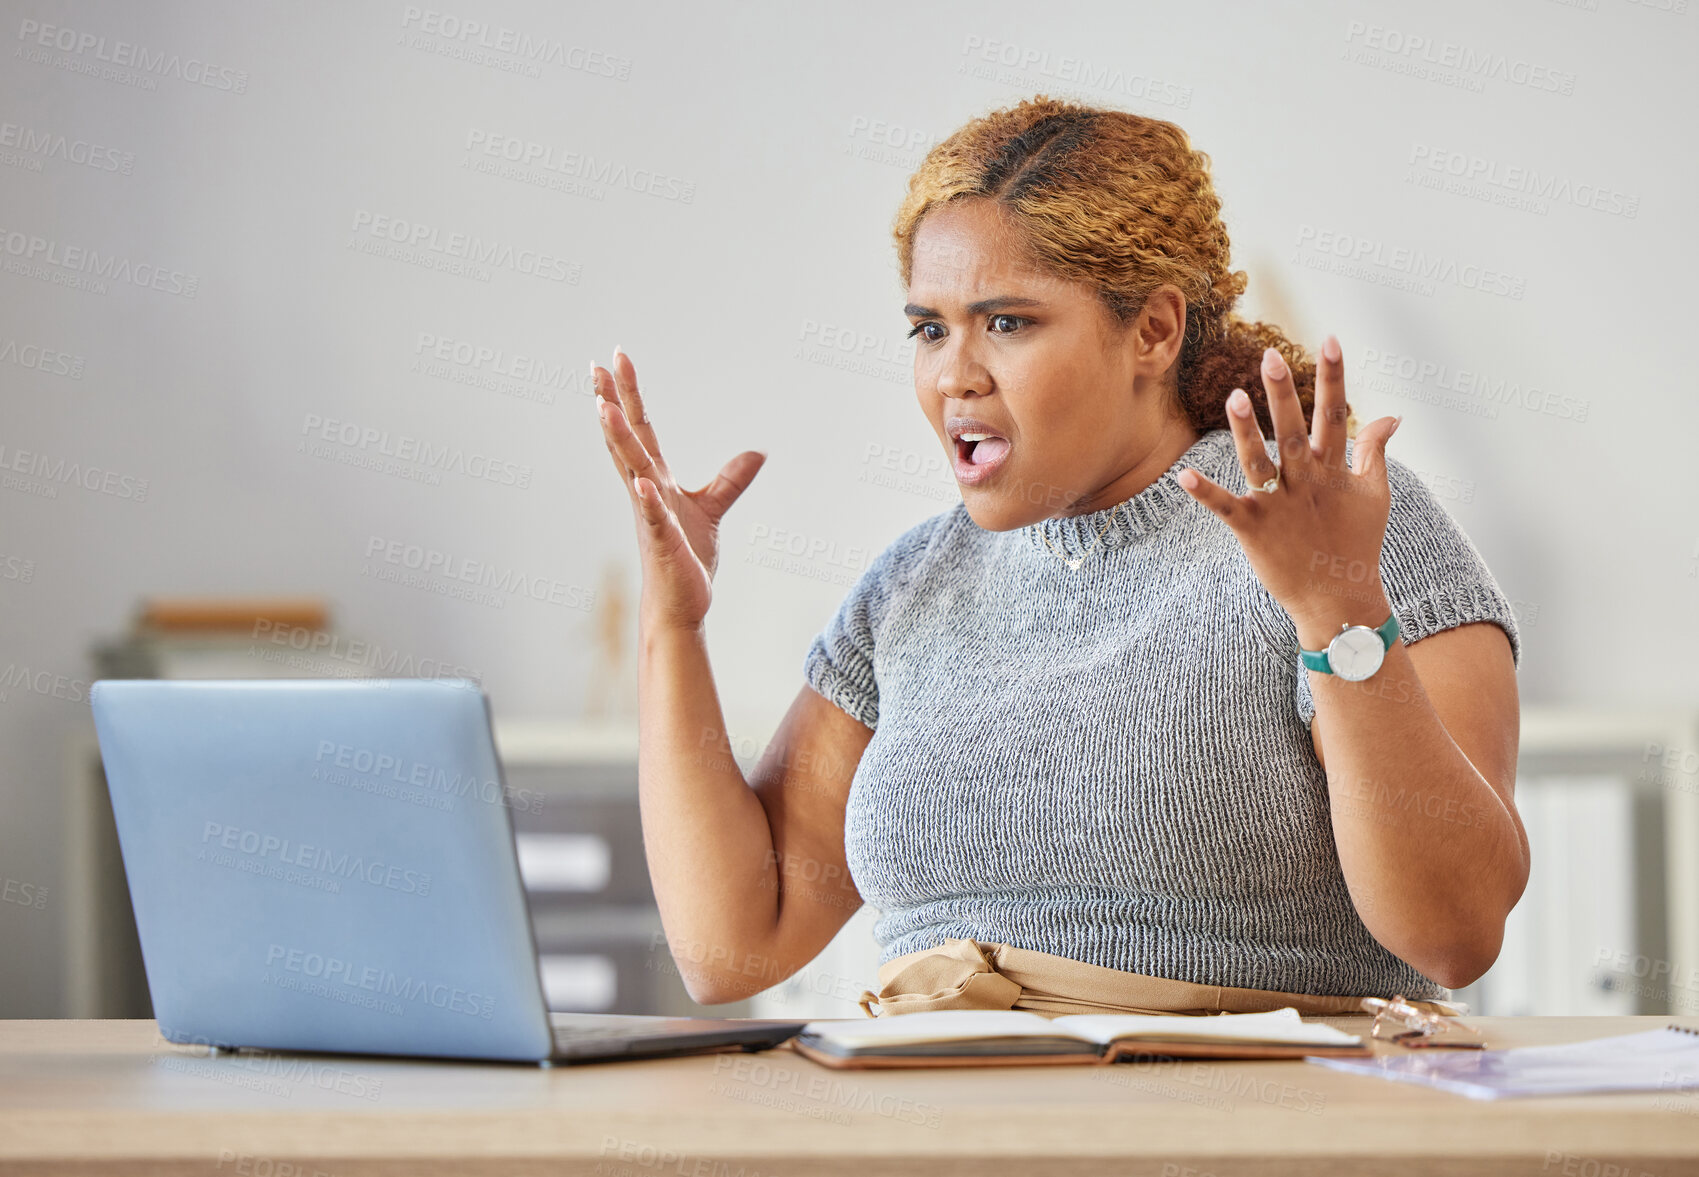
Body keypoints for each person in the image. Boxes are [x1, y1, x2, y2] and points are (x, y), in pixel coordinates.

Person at [589, 94, 1526, 1018]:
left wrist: (1339, 610)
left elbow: (1453, 934)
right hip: (935, 1120)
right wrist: (673, 626)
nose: (955, 373)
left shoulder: (1334, 522)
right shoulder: (914, 585)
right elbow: (731, 945)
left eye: (1007, 322)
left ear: (1151, 330)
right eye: (928, 328)